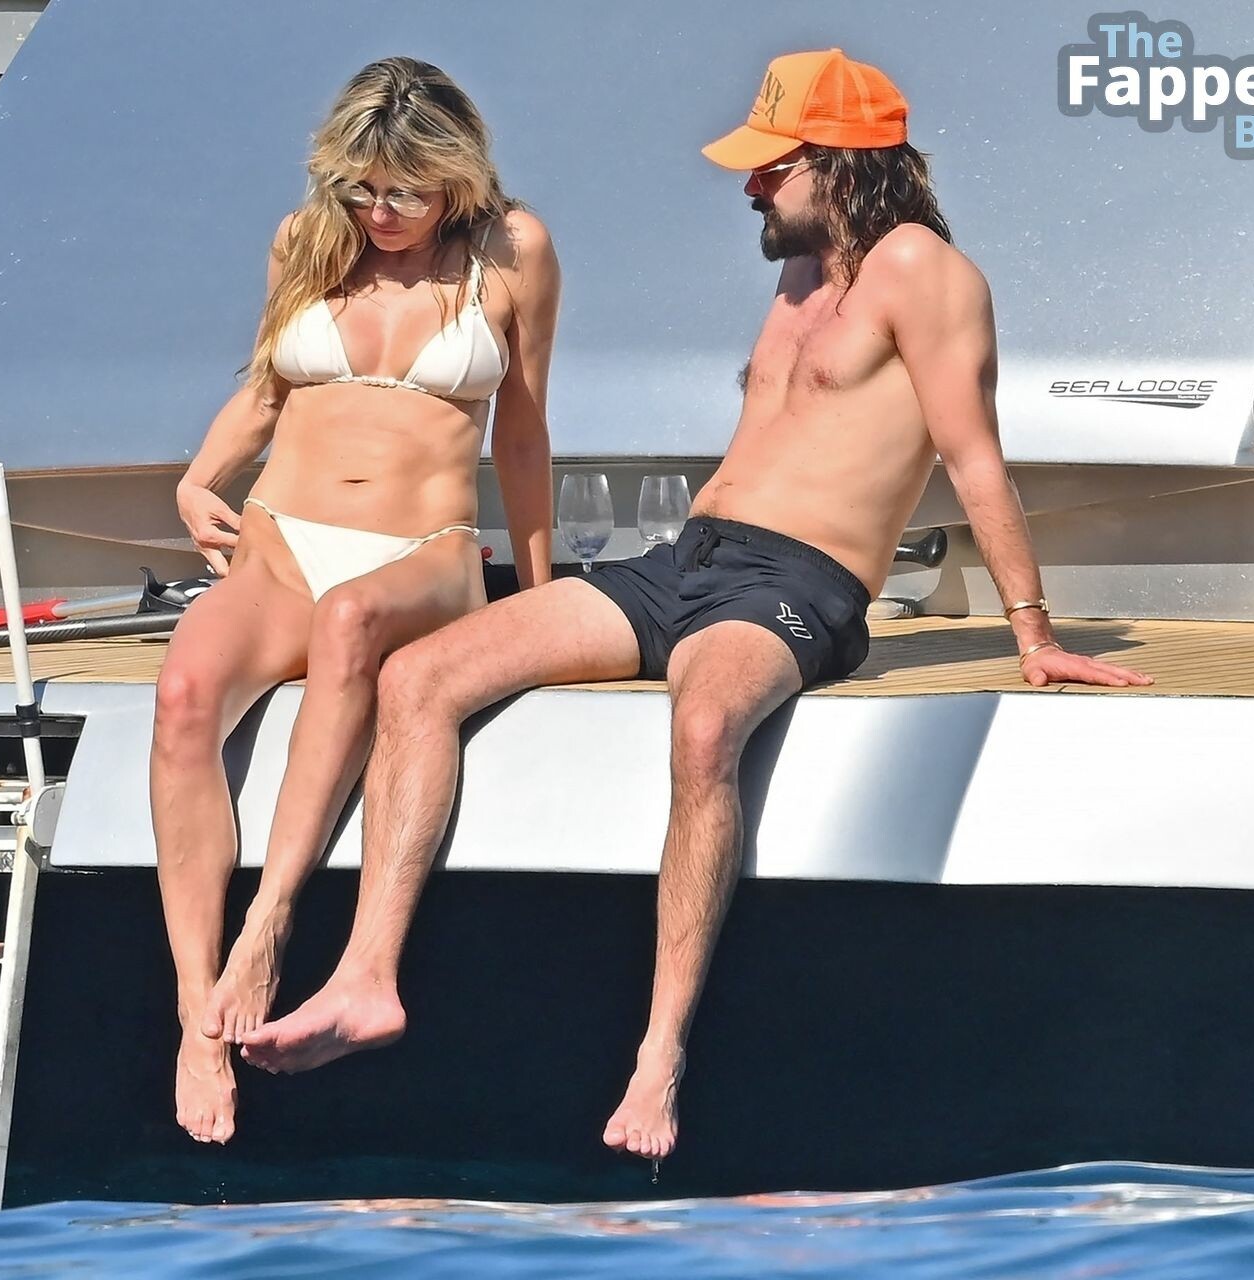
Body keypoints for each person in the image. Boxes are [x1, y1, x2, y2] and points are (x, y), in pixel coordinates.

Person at [239, 48, 1152, 1158]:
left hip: (798, 582)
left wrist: (1032, 633)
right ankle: (366, 977)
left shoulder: (921, 268)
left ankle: (658, 1054)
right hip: (689, 561)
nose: (750, 188)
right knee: (421, 674)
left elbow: (974, 459)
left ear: (843, 164)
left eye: (771, 169)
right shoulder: (804, 270)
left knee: (706, 724)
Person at [151, 55, 560, 1144]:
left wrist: (541, 595)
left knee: (350, 624)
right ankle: (197, 1010)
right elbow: (263, 392)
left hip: (422, 551)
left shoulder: (513, 250)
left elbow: (522, 430)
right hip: (282, 541)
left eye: (405, 193)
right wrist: (196, 480)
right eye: (362, 189)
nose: (380, 214)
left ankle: (272, 919)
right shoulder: (307, 240)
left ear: (455, 178)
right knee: (184, 693)